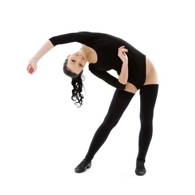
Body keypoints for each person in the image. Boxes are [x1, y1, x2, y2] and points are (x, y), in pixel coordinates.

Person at [27, 31, 159, 175]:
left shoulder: (88, 39)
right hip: (128, 80)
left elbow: (55, 40)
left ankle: (140, 162)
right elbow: (121, 84)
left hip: (148, 72)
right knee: (109, 122)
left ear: (68, 56)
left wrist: (35, 59)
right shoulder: (94, 68)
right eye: (80, 64)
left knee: (146, 119)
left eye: (73, 60)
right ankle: (87, 159)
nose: (79, 60)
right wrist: (124, 62)